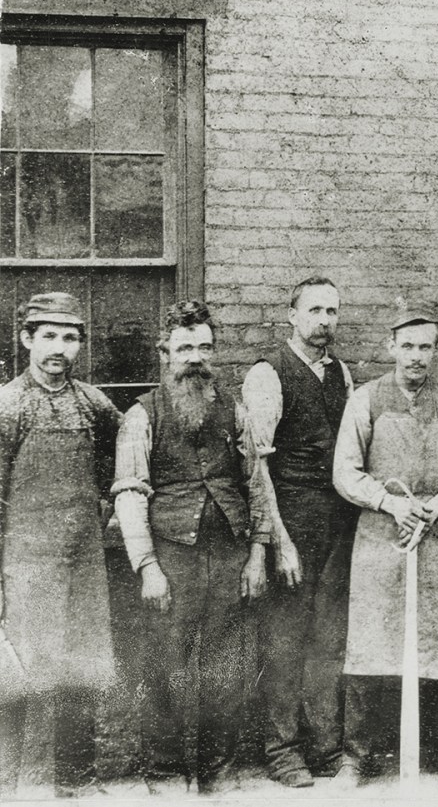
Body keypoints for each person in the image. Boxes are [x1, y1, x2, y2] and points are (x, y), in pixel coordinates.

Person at [332, 303, 438, 785]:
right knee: (370, 643)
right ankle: (354, 757)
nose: (416, 356)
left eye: (425, 346)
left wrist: (436, 504)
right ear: (391, 347)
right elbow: (345, 471)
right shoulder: (365, 399)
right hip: (383, 535)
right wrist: (392, 505)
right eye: (407, 346)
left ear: (436, 350)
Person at [112, 300, 271, 795]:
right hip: (171, 555)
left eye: (204, 347)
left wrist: (258, 554)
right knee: (164, 665)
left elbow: (256, 483)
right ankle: (164, 772)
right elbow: (130, 494)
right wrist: (147, 566)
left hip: (228, 554)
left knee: (225, 666)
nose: (195, 358)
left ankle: (218, 769)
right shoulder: (142, 415)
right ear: (165, 354)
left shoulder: (234, 411)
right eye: (184, 348)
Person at [0, 293, 122, 799]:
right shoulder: (8, 405)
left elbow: (114, 470)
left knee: (82, 666)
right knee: (17, 672)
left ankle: (76, 781)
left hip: (84, 561)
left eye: (70, 338)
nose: (59, 348)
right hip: (24, 563)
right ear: (27, 339)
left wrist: (105, 513)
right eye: (48, 335)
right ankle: (7, 783)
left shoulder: (94, 404)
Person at [242, 276, 357, 786]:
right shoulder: (268, 374)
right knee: (284, 640)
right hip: (292, 522)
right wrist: (279, 542)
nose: (324, 320)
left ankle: (326, 747)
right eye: (314, 310)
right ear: (292, 315)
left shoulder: (342, 374)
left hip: (337, 522)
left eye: (331, 311)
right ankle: (281, 750)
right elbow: (257, 468)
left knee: (328, 639)